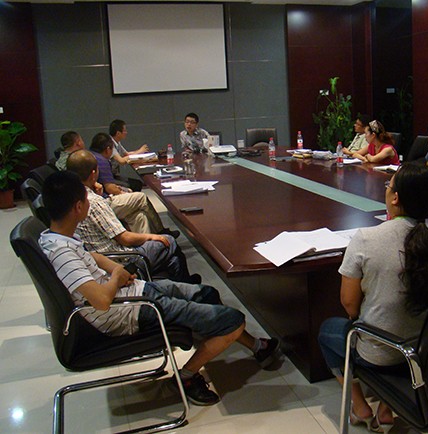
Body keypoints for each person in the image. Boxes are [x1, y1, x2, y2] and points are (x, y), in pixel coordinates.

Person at [39, 170, 281, 406]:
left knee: (207, 294)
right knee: (234, 320)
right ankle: (186, 377)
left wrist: (118, 270)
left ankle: (255, 346)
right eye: (86, 198)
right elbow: (101, 302)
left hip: (137, 293)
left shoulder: (54, 237)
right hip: (132, 310)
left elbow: (94, 256)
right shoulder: (62, 253)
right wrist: (117, 277)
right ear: (78, 207)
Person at [318, 163, 428, 432]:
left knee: (328, 332)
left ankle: (359, 406)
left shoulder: (366, 239)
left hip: (380, 355)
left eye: (388, 186)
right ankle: (386, 406)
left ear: (395, 198)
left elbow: (349, 305)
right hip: (424, 352)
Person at [67, 149, 189, 282]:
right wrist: (151, 236)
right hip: (121, 261)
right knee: (168, 240)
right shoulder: (94, 202)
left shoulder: (70, 198)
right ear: (93, 174)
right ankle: (186, 281)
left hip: (99, 261)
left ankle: (184, 284)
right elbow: (124, 238)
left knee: (172, 258)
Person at [88, 133, 178, 236]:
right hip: (104, 203)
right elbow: (110, 188)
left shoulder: (90, 156)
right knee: (141, 198)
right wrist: (124, 193)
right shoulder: (102, 161)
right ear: (108, 149)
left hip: (96, 202)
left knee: (139, 216)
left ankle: (150, 242)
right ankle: (160, 230)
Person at [108, 119, 149, 187]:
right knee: (134, 185)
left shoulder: (117, 142)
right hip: (109, 177)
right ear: (118, 133)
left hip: (115, 175)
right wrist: (139, 151)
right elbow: (121, 161)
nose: (126, 132)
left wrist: (140, 152)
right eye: (124, 131)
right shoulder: (110, 144)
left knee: (138, 183)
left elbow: (126, 154)